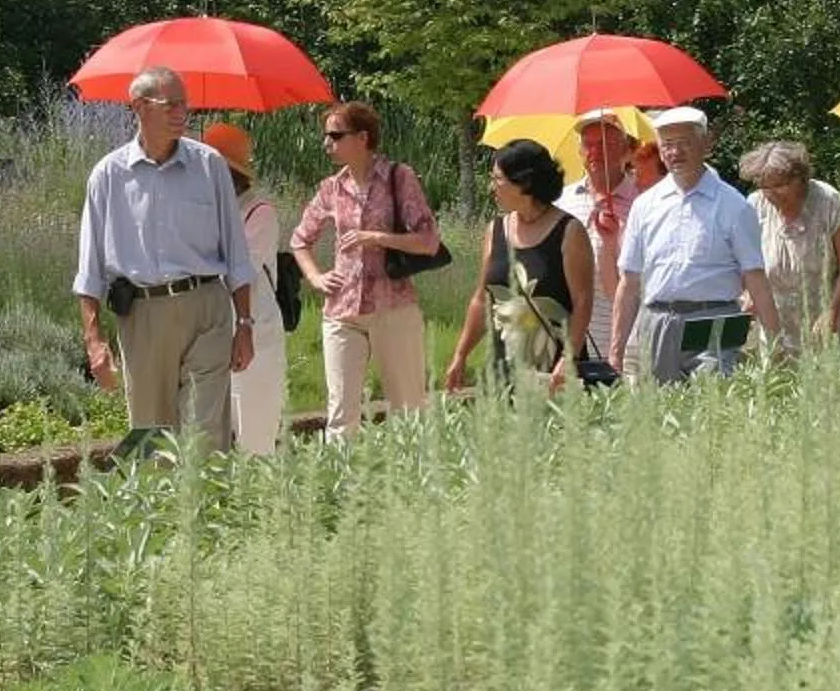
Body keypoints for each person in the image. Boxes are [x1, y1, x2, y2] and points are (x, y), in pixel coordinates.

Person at [73, 67, 259, 447]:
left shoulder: (209, 166)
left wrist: (245, 323)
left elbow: (237, 256)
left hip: (207, 310)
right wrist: (94, 340)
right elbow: (89, 270)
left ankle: (208, 507)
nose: (182, 113)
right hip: (143, 316)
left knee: (206, 436)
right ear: (139, 107)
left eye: (184, 104)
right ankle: (158, 507)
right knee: (150, 435)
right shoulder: (107, 175)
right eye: (170, 104)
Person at [290, 99, 443, 436]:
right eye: (326, 136)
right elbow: (299, 240)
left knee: (409, 409)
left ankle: (413, 483)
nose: (326, 143)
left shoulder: (398, 177)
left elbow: (429, 240)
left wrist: (379, 238)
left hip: (394, 308)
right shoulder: (331, 188)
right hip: (342, 311)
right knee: (341, 415)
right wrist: (316, 277)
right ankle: (340, 488)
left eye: (335, 135)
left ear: (362, 137)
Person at [609, 105, 783, 383]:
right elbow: (629, 282)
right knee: (661, 412)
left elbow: (755, 277)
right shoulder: (645, 206)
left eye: (684, 143)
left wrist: (776, 344)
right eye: (667, 145)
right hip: (658, 320)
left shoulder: (733, 206)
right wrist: (615, 352)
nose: (675, 152)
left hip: (714, 318)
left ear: (705, 145)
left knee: (711, 407)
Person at [443, 138, 597, 393]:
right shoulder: (496, 230)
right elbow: (482, 299)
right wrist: (461, 354)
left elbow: (583, 301)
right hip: (503, 369)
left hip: (553, 372)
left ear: (524, 182)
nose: (492, 187)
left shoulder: (569, 232)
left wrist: (567, 360)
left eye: (498, 179)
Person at [737, 139, 840, 356]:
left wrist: (832, 311)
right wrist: (748, 293)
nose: (773, 193)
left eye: (780, 185)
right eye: (766, 186)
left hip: (835, 315)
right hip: (782, 322)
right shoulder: (755, 205)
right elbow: (749, 262)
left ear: (800, 179)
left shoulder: (826, 200)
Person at [203, 121, 286, 455]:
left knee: (255, 435)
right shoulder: (206, 213)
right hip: (211, 333)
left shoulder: (259, 213)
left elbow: (242, 271)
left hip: (256, 334)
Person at [553, 107, 649, 371]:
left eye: (606, 144)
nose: (595, 152)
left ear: (626, 150)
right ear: (580, 151)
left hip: (624, 332)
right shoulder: (563, 200)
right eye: (589, 144)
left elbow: (636, 280)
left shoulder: (643, 203)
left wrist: (612, 242)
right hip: (570, 329)